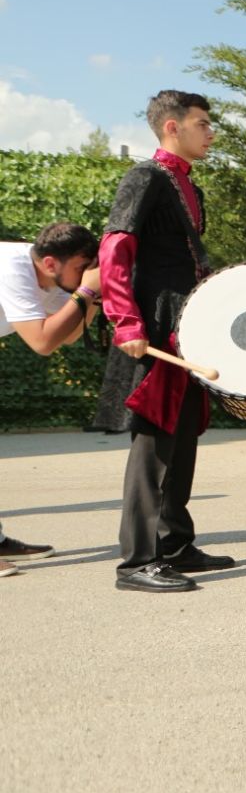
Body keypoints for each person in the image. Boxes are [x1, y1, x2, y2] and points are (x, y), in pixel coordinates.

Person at [99, 91, 237, 592]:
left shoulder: (187, 184)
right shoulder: (145, 176)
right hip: (156, 325)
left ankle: (175, 544)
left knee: (183, 437)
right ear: (172, 127)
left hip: (188, 324)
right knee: (154, 442)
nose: (211, 133)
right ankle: (137, 562)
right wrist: (126, 322)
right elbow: (115, 247)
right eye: (203, 123)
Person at [0, 222, 101, 576]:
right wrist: (87, 291)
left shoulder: (52, 276)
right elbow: (42, 342)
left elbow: (67, 334)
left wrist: (91, 297)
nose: (85, 274)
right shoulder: (13, 268)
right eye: (81, 267)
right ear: (50, 263)